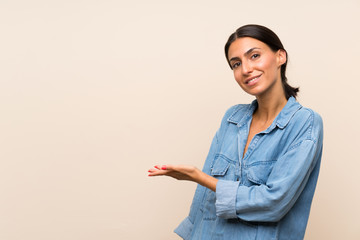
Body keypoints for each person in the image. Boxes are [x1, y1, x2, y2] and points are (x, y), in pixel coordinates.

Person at [148, 24, 323, 240]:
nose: (246, 69)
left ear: (280, 57)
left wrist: (199, 177)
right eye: (236, 64)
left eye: (255, 56)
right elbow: (204, 201)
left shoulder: (304, 122)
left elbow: (274, 202)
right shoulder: (233, 118)